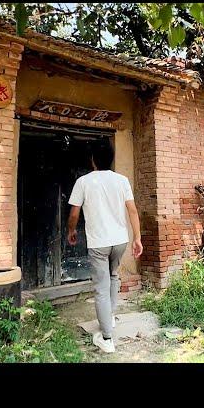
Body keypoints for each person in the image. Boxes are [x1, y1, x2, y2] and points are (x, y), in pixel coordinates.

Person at [67, 141, 143, 353]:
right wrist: (137, 238)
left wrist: (71, 231)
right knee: (113, 277)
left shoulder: (83, 182)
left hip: (99, 243)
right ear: (111, 158)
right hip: (120, 240)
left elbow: (74, 214)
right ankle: (109, 318)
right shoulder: (122, 180)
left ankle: (107, 338)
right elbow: (133, 211)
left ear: (93, 160)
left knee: (101, 287)